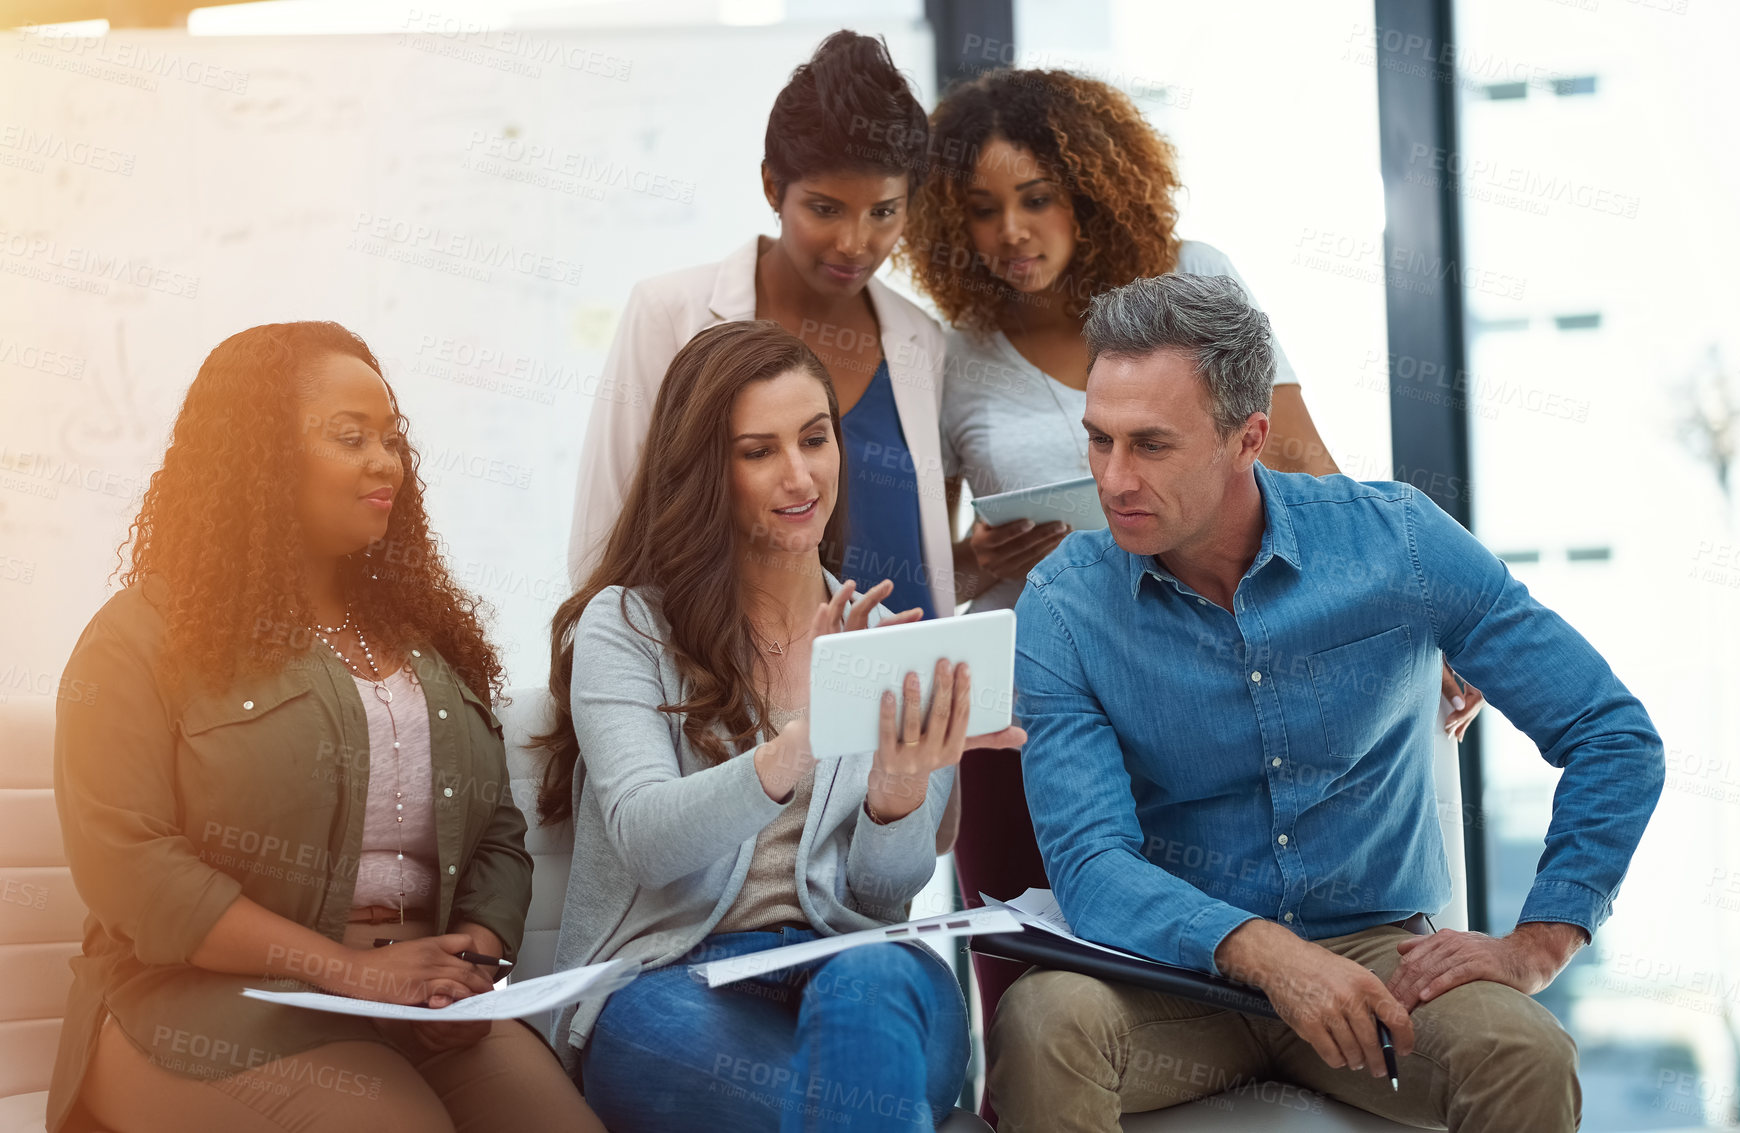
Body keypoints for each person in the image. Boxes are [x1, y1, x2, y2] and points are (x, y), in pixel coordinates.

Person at [984, 273, 1665, 1132]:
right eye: (1098, 441)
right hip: (1173, 970)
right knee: (1045, 1021)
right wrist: (1263, 952)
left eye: (1150, 445)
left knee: (1524, 1052)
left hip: (1380, 962)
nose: (1113, 478)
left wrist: (1538, 942)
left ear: (1247, 438)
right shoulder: (1061, 605)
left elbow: (1610, 732)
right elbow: (1090, 864)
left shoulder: (1399, 543)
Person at [899, 68, 1483, 1057]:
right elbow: (927, 576)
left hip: (1202, 683)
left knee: (1239, 966)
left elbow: (1303, 467)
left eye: (1036, 197)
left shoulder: (1192, 279)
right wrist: (974, 552)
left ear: (1089, 185)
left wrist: (1431, 612)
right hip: (1032, 710)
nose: (1011, 232)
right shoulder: (956, 352)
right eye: (982, 208)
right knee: (1036, 1005)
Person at [48, 322, 602, 1133]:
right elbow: (130, 867)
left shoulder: (425, 639)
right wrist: (346, 969)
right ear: (260, 456)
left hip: (418, 1001)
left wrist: (472, 954)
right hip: (203, 1006)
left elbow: (497, 835)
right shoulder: (142, 636)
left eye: (392, 438)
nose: (388, 462)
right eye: (351, 438)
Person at [538, 321, 1023, 1133]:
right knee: (848, 1103)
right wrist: (804, 735)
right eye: (758, 450)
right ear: (704, 469)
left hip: (855, 974)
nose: (799, 475)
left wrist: (898, 797)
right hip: (668, 982)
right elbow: (649, 840)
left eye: (814, 438)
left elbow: (879, 895)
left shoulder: (887, 646)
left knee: (874, 978)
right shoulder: (624, 626)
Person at [567, 30, 953, 630]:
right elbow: (605, 531)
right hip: (728, 693)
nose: (855, 243)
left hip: (907, 688)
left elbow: (915, 537)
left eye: (883, 212)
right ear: (773, 185)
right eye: (825, 209)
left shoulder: (920, 340)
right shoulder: (670, 314)